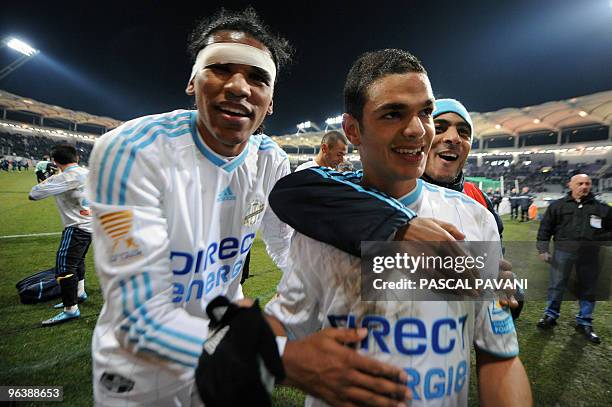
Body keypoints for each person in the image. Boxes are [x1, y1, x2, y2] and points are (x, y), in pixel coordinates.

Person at [88, 8, 410, 406]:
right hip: (143, 372)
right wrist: (283, 356)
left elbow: (283, 243)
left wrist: (317, 295)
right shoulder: (133, 150)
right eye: (221, 69)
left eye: (258, 78)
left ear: (271, 102)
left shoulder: (269, 159)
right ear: (193, 80)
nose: (240, 87)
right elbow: (140, 319)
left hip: (229, 349)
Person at [266, 49, 531, 406]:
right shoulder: (324, 225)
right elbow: (283, 324)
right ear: (352, 130)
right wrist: (288, 361)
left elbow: (499, 355)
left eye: (426, 112)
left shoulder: (474, 219)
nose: (417, 129)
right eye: (393, 114)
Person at [536, 174, 612, 344]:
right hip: (563, 252)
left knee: (588, 288)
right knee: (557, 285)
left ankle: (584, 322)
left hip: (590, 255)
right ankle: (550, 315)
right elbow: (545, 228)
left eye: (587, 183)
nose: (584, 186)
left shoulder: (601, 208)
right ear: (570, 185)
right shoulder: (558, 206)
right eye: (580, 183)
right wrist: (542, 249)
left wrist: (598, 238)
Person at [28, 143, 92, 326]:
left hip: (77, 226)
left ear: (55, 161)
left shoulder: (63, 178)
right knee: (78, 261)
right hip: (92, 224)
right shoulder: (89, 173)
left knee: (64, 267)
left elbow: (34, 194)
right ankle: (79, 293)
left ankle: (71, 309)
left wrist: (51, 178)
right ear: (77, 158)